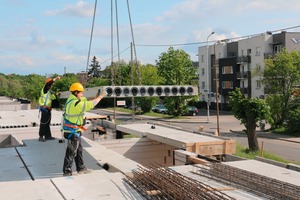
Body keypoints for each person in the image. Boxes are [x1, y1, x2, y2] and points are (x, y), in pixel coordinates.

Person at [62, 82, 107, 176]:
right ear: (76, 93)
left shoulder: (71, 100)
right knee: (71, 151)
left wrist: (95, 96)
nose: (82, 94)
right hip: (72, 131)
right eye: (81, 92)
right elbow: (90, 104)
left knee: (79, 150)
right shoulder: (75, 104)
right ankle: (67, 171)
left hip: (74, 130)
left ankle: (81, 168)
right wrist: (100, 97)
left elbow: (85, 99)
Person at [38, 76, 61, 142]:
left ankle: (48, 136)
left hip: (48, 109)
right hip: (44, 109)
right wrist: (55, 79)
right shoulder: (44, 90)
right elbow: (48, 84)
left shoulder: (49, 92)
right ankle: (41, 136)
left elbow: (52, 100)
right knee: (43, 122)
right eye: (51, 84)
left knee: (47, 123)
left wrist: (56, 95)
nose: (52, 86)